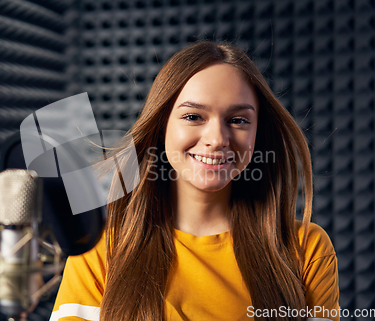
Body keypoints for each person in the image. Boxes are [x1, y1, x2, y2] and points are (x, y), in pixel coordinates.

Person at [49, 41, 339, 321]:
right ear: (162, 125)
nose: (216, 139)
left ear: (257, 133)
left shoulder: (306, 249)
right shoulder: (102, 246)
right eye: (193, 116)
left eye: (238, 120)